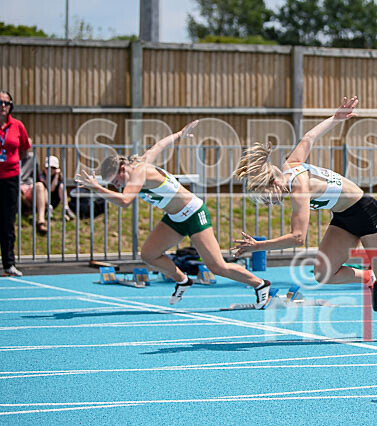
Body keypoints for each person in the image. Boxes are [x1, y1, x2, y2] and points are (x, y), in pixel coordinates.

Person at [231, 96, 377, 338]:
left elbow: (298, 238)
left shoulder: (300, 187)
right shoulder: (290, 165)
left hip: (368, 214)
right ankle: (370, 277)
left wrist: (259, 246)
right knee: (323, 273)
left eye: (265, 194)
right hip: (344, 217)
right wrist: (335, 118)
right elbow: (309, 137)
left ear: (274, 180)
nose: (267, 201)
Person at [75, 121, 271, 306]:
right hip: (175, 219)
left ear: (123, 168)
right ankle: (183, 280)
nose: (117, 187)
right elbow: (158, 146)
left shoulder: (138, 172)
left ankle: (260, 284)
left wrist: (96, 188)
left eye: (116, 182)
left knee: (217, 266)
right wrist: (179, 134)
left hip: (194, 214)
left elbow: (126, 201)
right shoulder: (139, 163)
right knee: (149, 254)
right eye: (114, 185)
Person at [0, 90, 30, 277]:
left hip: (10, 178)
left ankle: (9, 264)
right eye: (0, 102)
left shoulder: (17, 126)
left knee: (7, 222)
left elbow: (26, 149)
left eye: (6, 103)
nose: (3, 106)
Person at [20, 155, 74, 234]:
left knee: (62, 186)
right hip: (45, 197)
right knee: (41, 186)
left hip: (53, 199)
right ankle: (45, 213)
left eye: (53, 168)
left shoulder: (59, 177)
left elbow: (53, 188)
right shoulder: (42, 176)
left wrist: (56, 176)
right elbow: (50, 188)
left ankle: (66, 208)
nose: (50, 170)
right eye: (48, 168)